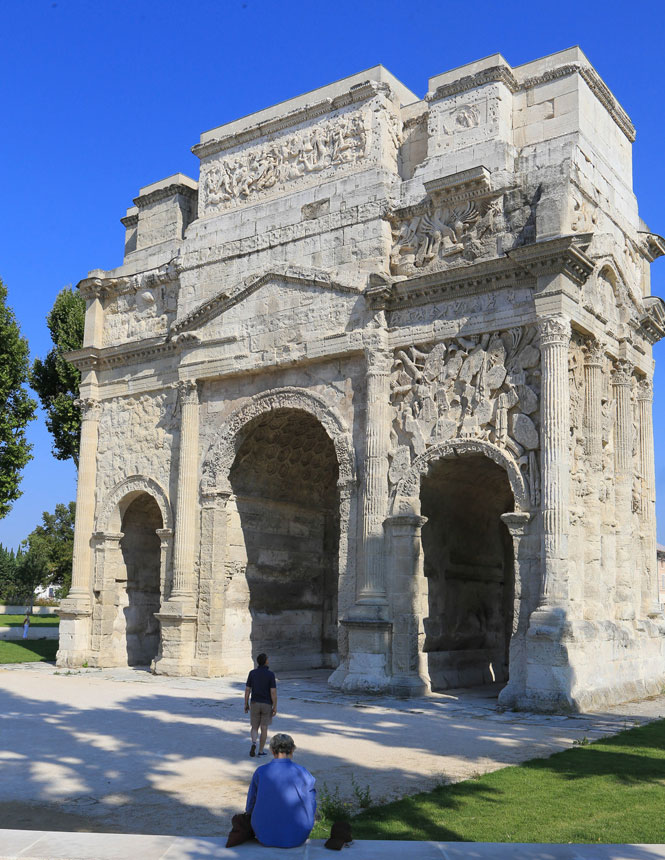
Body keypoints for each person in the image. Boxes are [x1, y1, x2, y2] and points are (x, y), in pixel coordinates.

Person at [245, 733, 316, 849]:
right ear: (292, 749)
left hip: (264, 834)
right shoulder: (302, 772)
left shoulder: (261, 771)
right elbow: (311, 802)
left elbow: (250, 804)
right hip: (298, 835)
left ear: (272, 750)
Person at [244, 653, 277, 757]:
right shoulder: (270, 674)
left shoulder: (252, 673)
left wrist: (246, 704)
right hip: (266, 704)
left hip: (254, 702)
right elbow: (273, 692)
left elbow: (247, 690)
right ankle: (261, 751)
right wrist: (275, 706)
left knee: (254, 727)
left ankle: (254, 743)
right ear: (266, 661)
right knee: (264, 728)